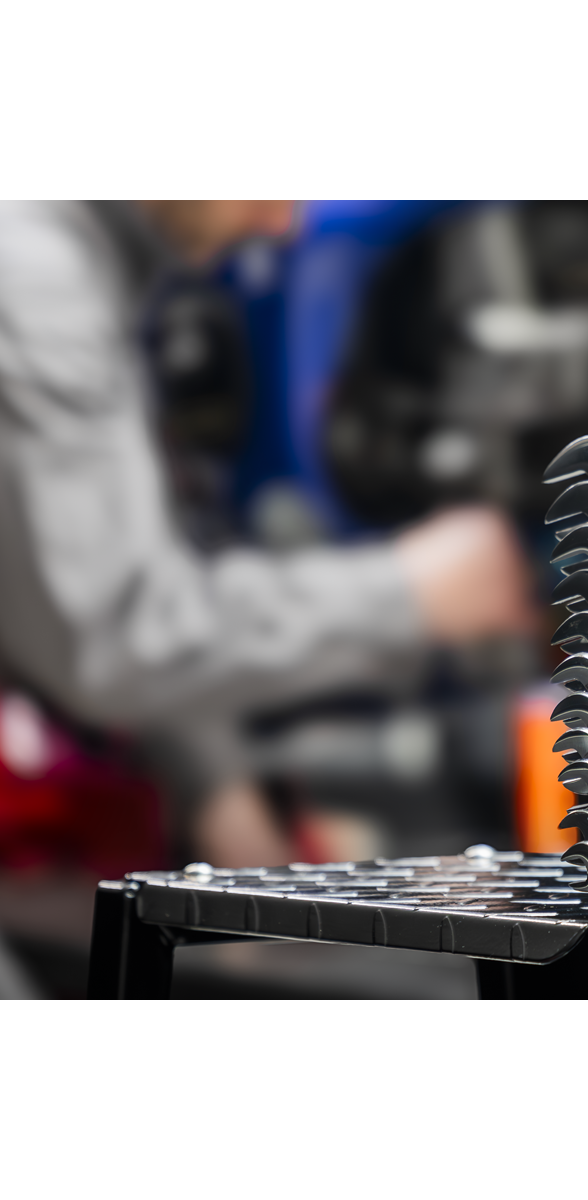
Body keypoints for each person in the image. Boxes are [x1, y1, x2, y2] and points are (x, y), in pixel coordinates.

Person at [0, 201, 538, 866]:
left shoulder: (77, 258)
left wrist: (217, 787)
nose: (282, 224)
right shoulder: (36, 275)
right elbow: (113, 633)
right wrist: (411, 592)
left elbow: (113, 560)